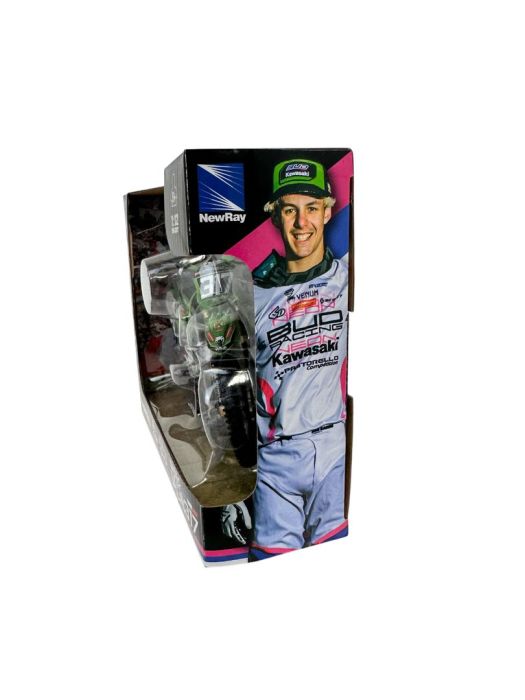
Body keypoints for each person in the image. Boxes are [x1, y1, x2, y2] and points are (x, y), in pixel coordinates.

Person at [222, 158, 349, 559]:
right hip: (275, 461)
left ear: (327, 211)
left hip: (335, 448)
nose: (302, 223)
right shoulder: (250, 293)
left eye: (312, 208)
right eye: (290, 210)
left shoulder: (348, 277)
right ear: (275, 216)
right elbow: (227, 382)